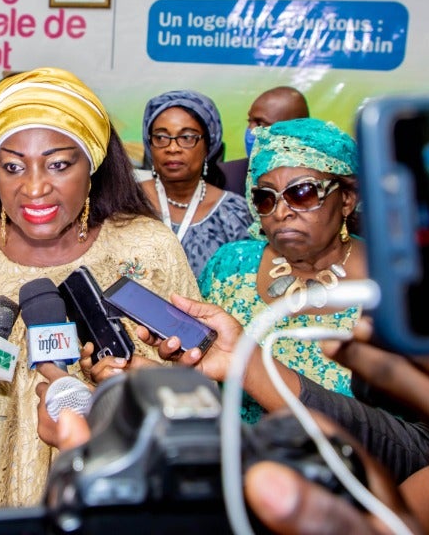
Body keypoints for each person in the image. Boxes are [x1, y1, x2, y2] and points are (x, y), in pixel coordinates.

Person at [0, 67, 201, 514]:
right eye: (12, 166)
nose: (33, 188)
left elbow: (193, 397)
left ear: (93, 163)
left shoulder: (148, 250)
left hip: (110, 502)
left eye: (59, 164)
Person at [200, 117, 365, 424]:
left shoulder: (388, 282)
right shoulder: (229, 267)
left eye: (302, 193)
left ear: (346, 199)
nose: (281, 211)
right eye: (265, 198)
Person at [139, 90, 252, 279]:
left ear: (208, 146)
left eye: (187, 138)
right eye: (161, 137)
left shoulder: (234, 215)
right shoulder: (125, 203)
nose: (172, 148)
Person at [223, 85, 310, 196]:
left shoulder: (314, 180)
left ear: (293, 131)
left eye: (260, 124)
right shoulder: (225, 176)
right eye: (250, 121)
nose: (251, 130)